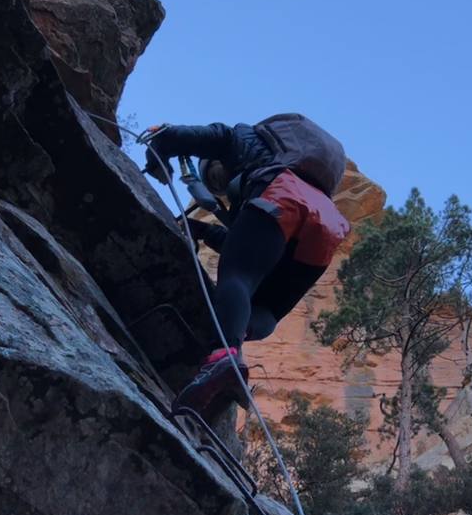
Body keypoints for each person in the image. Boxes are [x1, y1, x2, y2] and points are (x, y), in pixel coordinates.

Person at [144, 114, 352, 421]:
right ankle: (231, 352)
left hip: (283, 194)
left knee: (237, 275)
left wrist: (163, 142)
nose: (220, 189)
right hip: (327, 225)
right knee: (265, 306)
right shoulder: (300, 171)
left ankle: (225, 356)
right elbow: (252, 242)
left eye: (215, 179)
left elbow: (217, 137)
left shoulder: (250, 142)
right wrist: (201, 231)